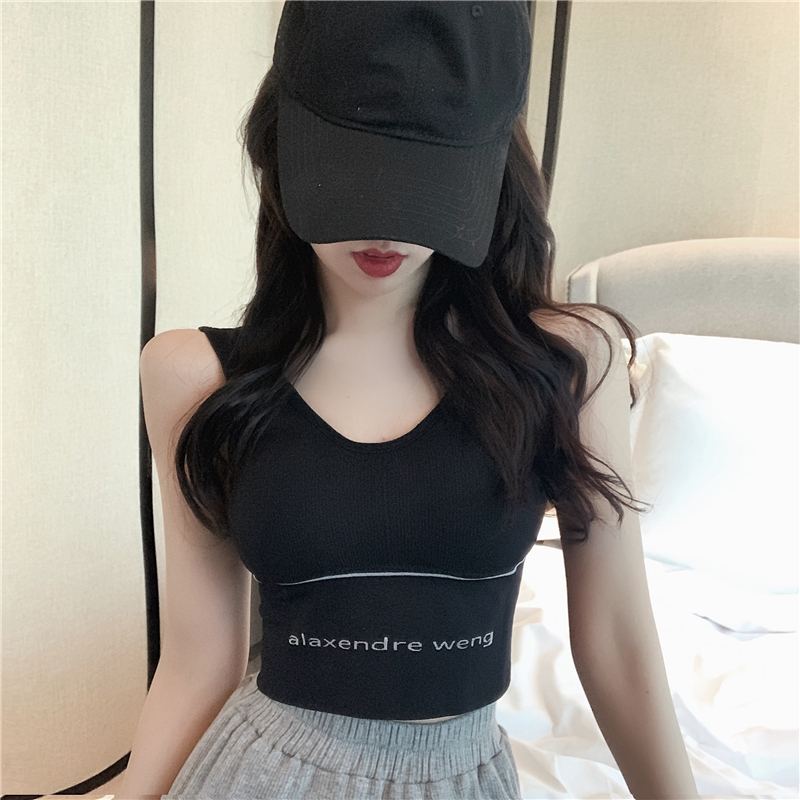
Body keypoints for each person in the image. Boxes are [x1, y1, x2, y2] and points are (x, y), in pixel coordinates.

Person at [120, 2, 700, 798]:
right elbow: (197, 663)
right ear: (281, 150)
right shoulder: (198, 376)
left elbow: (618, 642)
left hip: (461, 775)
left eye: (420, 179)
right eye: (352, 172)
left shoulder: (567, 363)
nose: (383, 225)